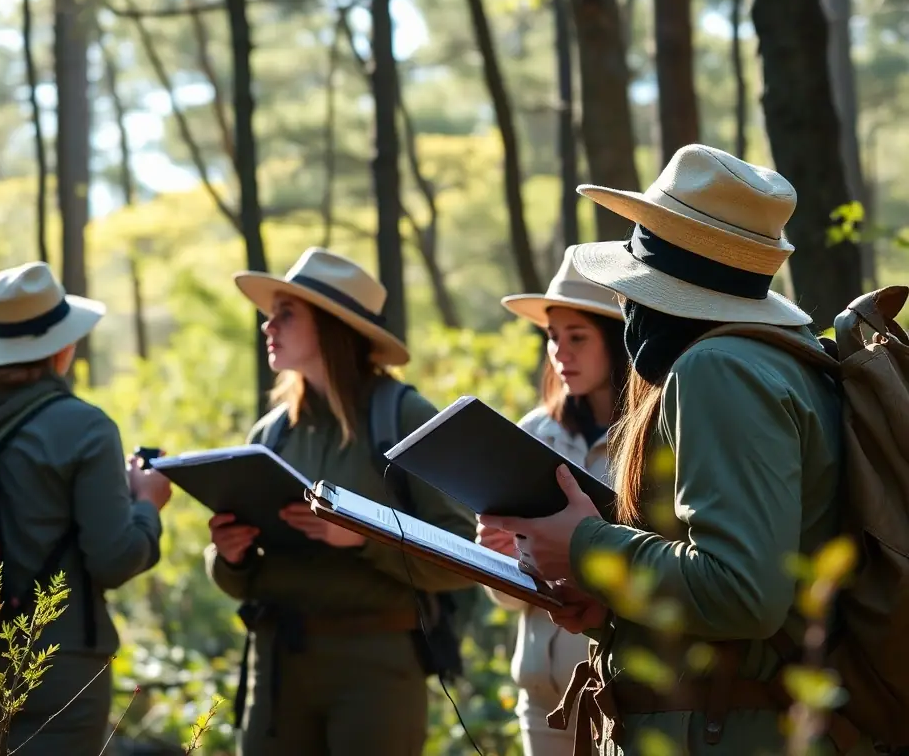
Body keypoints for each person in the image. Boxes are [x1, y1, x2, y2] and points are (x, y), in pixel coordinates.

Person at [479, 144, 875, 755]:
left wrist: (585, 544)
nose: (624, 305)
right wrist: (613, 598)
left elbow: (742, 591)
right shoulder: (778, 360)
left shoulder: (720, 369)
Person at [203, 247, 477, 756]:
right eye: (270, 313)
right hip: (277, 665)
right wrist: (229, 556)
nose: (268, 326)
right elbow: (239, 579)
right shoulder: (270, 433)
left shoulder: (405, 415)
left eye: (286, 314)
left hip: (377, 668)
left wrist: (362, 537)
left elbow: (465, 557)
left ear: (332, 326)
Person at [0, 261, 171, 755]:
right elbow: (114, 558)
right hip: (60, 674)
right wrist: (147, 504)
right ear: (62, 349)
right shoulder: (85, 429)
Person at [478, 245, 626, 756]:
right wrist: (498, 558)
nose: (561, 352)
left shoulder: (651, 439)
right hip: (541, 700)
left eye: (578, 336)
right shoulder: (531, 435)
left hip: (624, 692)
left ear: (615, 341)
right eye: (552, 337)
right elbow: (509, 597)